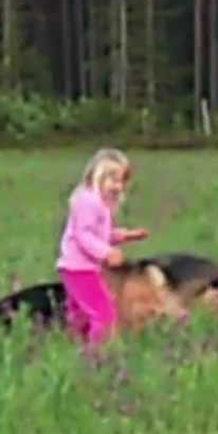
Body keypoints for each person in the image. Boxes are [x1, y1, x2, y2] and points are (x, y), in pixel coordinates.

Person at [56, 148, 149, 348]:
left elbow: (99, 235)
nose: (117, 186)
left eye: (121, 181)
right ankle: (98, 356)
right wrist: (107, 253)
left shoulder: (98, 203)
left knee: (80, 315)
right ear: (95, 176)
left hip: (77, 267)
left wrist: (123, 236)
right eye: (112, 179)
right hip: (79, 268)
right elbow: (84, 235)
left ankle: (77, 348)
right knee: (104, 313)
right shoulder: (88, 202)